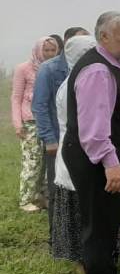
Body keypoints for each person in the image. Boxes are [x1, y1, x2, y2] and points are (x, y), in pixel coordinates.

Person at [61, 12, 120, 274]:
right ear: (104, 37)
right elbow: (94, 130)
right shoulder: (97, 70)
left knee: (106, 221)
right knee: (100, 224)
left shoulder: (112, 65)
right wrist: (111, 163)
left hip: (104, 156)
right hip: (96, 159)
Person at [32, 27, 89, 219]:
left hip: (82, 141)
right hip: (57, 139)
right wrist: (49, 139)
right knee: (57, 189)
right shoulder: (49, 69)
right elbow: (39, 106)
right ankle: (55, 239)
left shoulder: (88, 68)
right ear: (67, 44)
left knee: (77, 189)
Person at [51, 34, 98, 265]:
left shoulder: (79, 81)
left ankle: (89, 262)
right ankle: (81, 266)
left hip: (81, 157)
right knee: (78, 216)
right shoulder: (74, 84)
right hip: (76, 158)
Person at [12, 36, 61, 211]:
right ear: (38, 50)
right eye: (45, 50)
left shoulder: (54, 69)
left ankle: (43, 196)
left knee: (48, 162)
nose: (48, 54)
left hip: (49, 120)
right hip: (30, 121)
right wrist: (18, 124)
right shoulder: (24, 69)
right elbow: (16, 97)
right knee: (32, 161)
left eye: (52, 50)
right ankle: (26, 199)